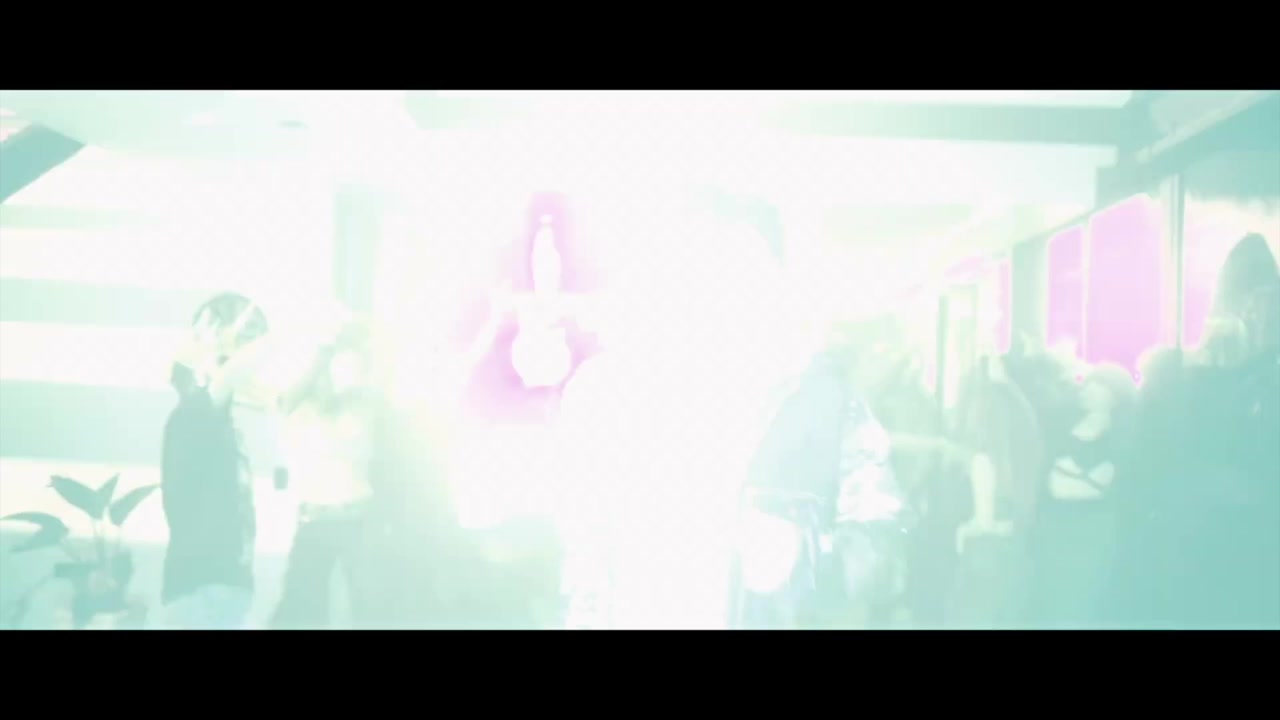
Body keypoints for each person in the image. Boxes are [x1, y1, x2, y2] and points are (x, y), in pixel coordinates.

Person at [161, 293, 269, 630]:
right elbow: (226, 374)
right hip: (205, 587)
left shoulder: (211, 420)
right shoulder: (194, 413)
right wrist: (222, 343)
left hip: (218, 585)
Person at [270, 319, 385, 629]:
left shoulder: (361, 405)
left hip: (358, 519)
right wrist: (323, 355)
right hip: (315, 520)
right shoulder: (303, 412)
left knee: (369, 606)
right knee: (302, 607)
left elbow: (375, 387)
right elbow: (284, 402)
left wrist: (354, 347)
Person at [945, 356, 1042, 629]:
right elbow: (1028, 425)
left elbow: (984, 522)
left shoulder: (982, 460)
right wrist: (1007, 385)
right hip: (1009, 557)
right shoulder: (1019, 458)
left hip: (982, 558)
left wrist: (963, 530)